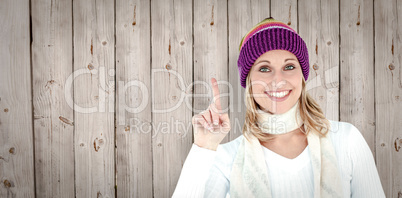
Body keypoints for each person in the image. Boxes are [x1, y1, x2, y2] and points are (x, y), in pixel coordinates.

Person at [172, 17, 385, 198]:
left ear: (302, 76)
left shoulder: (347, 140)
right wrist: (203, 146)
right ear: (248, 81)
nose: (278, 79)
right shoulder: (226, 158)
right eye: (264, 68)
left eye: (289, 66)